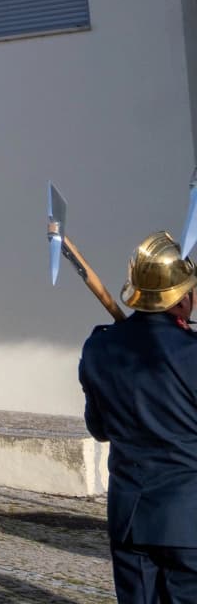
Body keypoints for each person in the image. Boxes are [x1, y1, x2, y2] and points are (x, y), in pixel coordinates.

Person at [82, 233, 197, 604]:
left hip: (129, 517)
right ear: (182, 298)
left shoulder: (99, 347)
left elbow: (99, 429)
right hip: (188, 522)